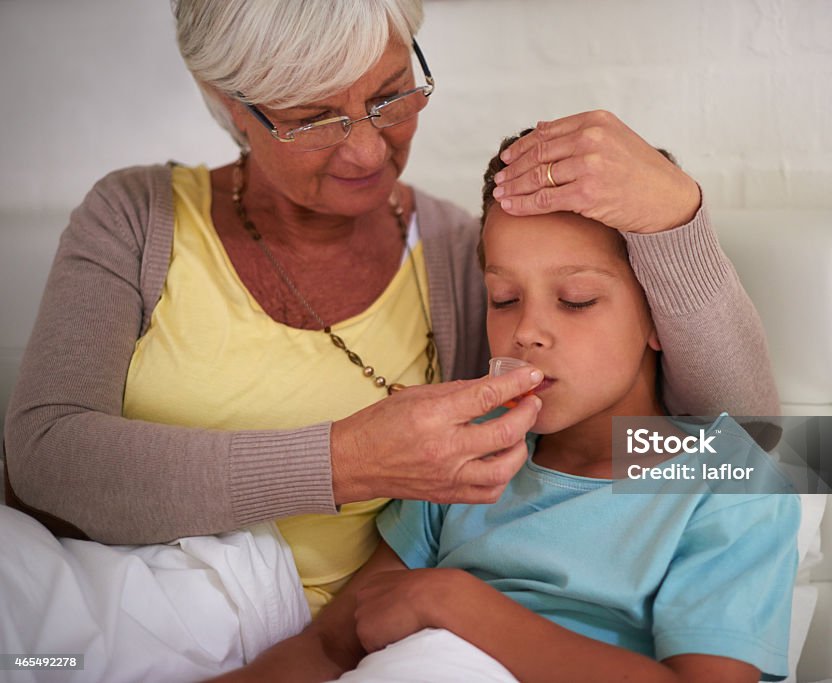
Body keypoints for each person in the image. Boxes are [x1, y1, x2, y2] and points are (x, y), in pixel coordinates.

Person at [4, 0, 778, 622]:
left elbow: (750, 448)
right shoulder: (134, 216)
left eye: (389, 95)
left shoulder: (467, 259)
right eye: (313, 118)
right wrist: (346, 460)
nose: (369, 151)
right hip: (107, 594)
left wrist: (679, 219)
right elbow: (43, 458)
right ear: (230, 106)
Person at [212, 132, 799, 683]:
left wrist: (454, 602)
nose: (528, 332)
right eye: (505, 298)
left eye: (576, 300)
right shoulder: (464, 449)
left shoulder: (729, 479)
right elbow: (330, 645)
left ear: (657, 317)